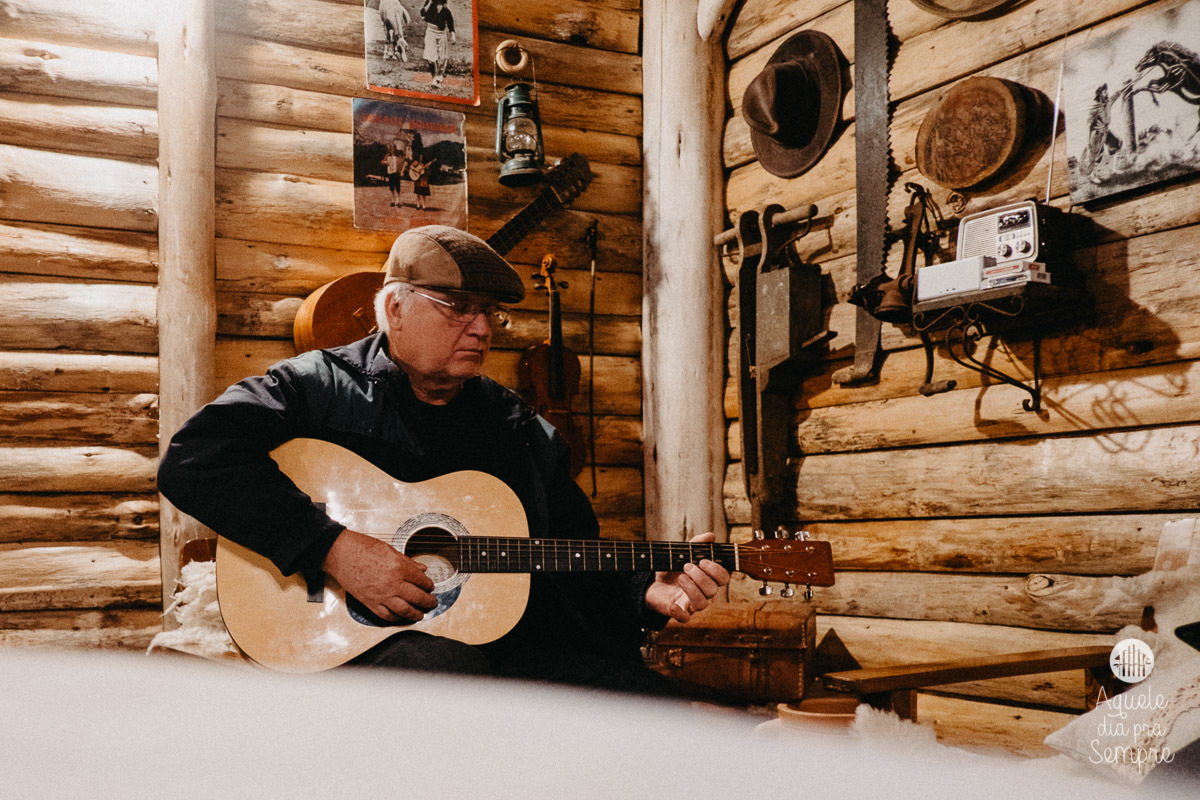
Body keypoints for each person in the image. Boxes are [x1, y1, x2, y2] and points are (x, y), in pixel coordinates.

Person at [158, 225, 729, 695]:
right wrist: (332, 547)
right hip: (356, 642)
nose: (481, 329)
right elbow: (195, 458)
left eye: (489, 313)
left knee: (673, 709)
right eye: (458, 308)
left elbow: (563, 552)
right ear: (395, 308)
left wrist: (643, 591)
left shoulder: (520, 430)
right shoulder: (316, 387)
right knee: (450, 677)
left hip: (498, 648)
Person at [420, 0, 455, 88]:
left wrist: (453, 35)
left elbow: (450, 23)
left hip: (441, 33)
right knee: (431, 57)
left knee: (442, 58)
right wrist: (430, 2)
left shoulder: (446, 10)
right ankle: (434, 79)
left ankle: (438, 79)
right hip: (431, 31)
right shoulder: (430, 4)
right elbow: (423, 13)